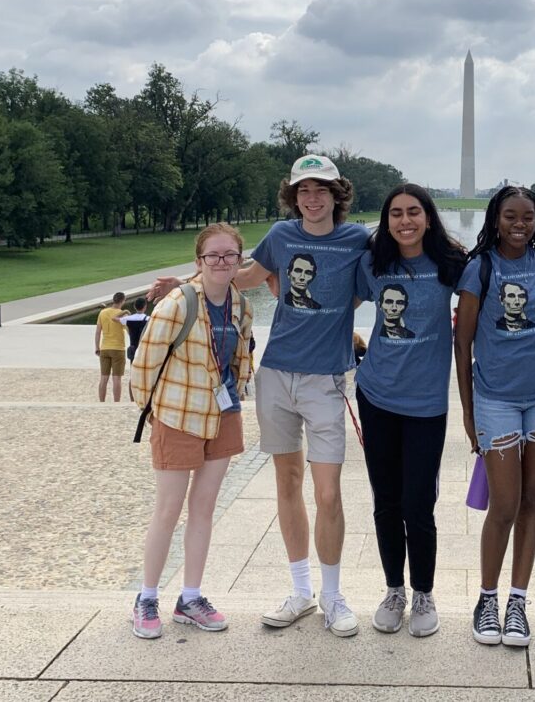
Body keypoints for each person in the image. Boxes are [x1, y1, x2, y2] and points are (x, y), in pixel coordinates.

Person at [150, 154, 369, 638]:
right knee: (287, 482)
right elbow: (241, 276)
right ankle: (300, 590)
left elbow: (380, 284)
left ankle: (333, 595)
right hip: (276, 376)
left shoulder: (356, 240)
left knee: (329, 491)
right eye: (303, 191)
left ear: (337, 195)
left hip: (326, 379)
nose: (312, 199)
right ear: (294, 196)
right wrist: (182, 285)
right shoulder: (281, 234)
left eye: (321, 190)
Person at [129, 223, 253, 639]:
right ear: (199, 262)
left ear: (239, 260)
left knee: (203, 509)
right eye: (213, 256)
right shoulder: (177, 304)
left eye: (229, 256)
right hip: (179, 415)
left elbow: (240, 355)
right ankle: (146, 597)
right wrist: (155, 414)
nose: (221, 263)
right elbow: (144, 365)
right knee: (168, 510)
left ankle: (190, 597)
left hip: (223, 413)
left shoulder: (240, 303)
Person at [355, 184, 466, 637]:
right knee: (386, 502)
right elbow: (331, 301)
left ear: (428, 216)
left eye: (413, 212)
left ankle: (423, 591)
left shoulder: (451, 264)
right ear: (387, 220)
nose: (405, 221)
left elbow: (494, 298)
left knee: (419, 504)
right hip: (377, 394)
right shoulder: (373, 262)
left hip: (426, 404)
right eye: (396, 213)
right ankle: (393, 588)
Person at [454, 186, 535, 648]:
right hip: (495, 398)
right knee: (503, 504)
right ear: (496, 219)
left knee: (532, 499)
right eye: (511, 215)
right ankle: (488, 598)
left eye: (529, 217)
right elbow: (463, 345)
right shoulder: (480, 268)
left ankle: (518, 601)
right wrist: (467, 408)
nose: (520, 223)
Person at [95, 292, 128, 402]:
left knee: (104, 377)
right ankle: (116, 402)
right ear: (122, 301)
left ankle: (101, 401)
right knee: (116, 378)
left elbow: (98, 332)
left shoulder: (102, 313)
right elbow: (128, 329)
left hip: (104, 347)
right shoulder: (122, 314)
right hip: (118, 348)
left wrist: (97, 347)